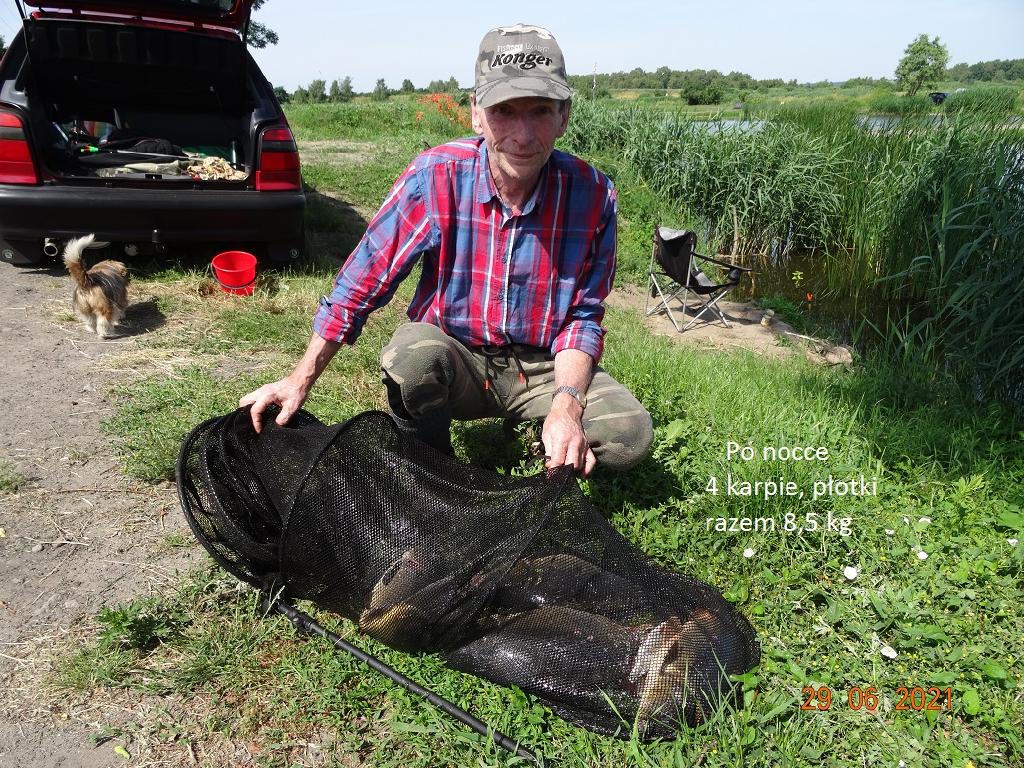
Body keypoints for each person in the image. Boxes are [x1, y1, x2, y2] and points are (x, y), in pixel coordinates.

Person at [242, 24, 653, 476]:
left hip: (544, 366)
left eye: (540, 111)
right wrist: (298, 380)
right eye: (503, 110)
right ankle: (434, 467)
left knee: (627, 436)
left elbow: (583, 318)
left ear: (564, 116)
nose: (522, 134)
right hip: (458, 359)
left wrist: (567, 405)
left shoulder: (594, 195)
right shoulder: (434, 177)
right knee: (412, 356)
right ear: (476, 113)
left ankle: (545, 441)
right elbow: (359, 286)